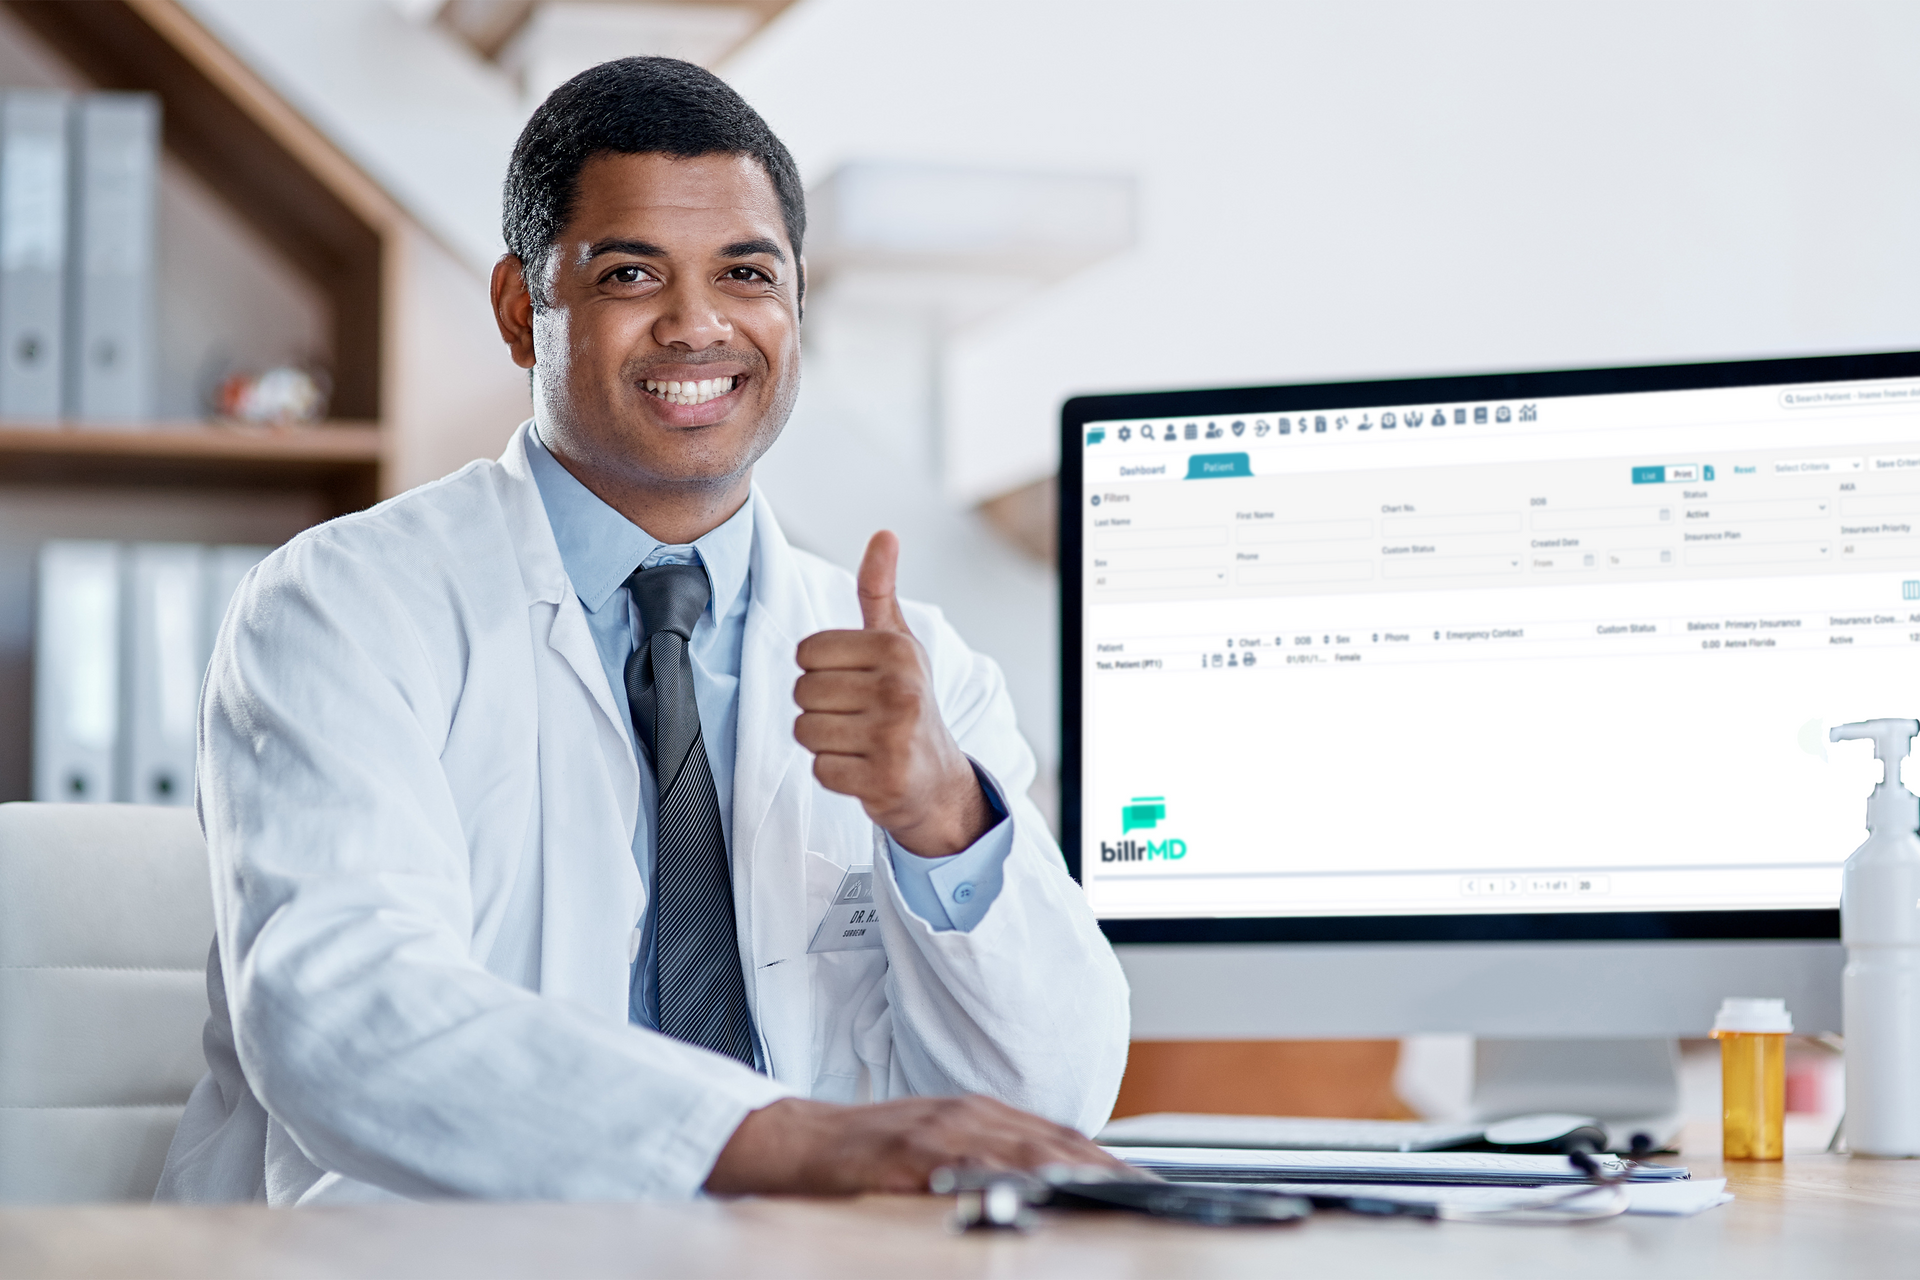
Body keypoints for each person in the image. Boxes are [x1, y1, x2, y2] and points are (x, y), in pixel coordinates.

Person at [155, 56, 1130, 1204]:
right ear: (524, 311)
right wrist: (778, 1142)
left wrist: (943, 818)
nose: (699, 323)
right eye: (631, 273)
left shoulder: (913, 664)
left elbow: (1050, 1099)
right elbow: (343, 1016)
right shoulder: (343, 607)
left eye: (747, 272)